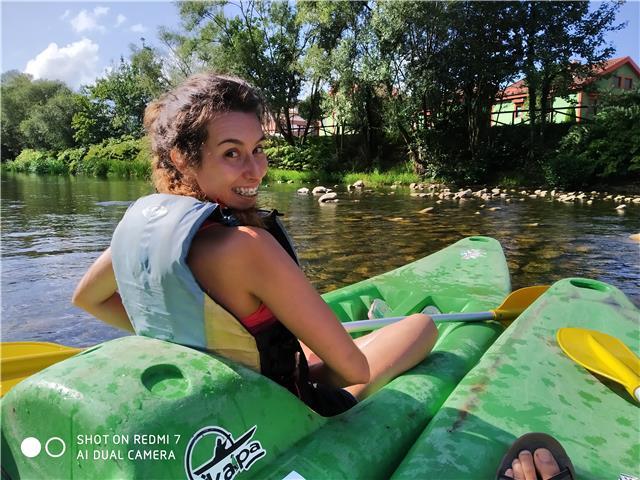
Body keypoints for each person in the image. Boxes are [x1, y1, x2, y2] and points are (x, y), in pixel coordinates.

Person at [72, 72, 438, 417]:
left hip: (218, 404)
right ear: (181, 158)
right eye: (232, 153)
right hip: (286, 410)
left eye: (258, 149)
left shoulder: (145, 235)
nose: (256, 170)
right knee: (421, 326)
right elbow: (355, 369)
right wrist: (302, 371)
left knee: (306, 346)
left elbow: (88, 299)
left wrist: (192, 342)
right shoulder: (249, 246)